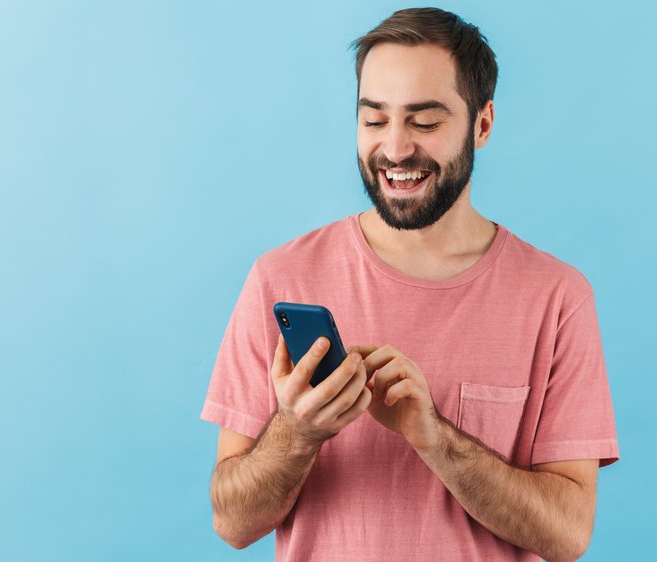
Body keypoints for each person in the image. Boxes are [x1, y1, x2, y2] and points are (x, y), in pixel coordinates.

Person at [201, 7, 620, 561]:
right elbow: (231, 523)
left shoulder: (557, 297)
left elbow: (568, 534)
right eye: (375, 120)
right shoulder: (280, 277)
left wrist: (434, 438)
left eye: (425, 122)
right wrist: (297, 434)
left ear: (483, 124)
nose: (395, 149)